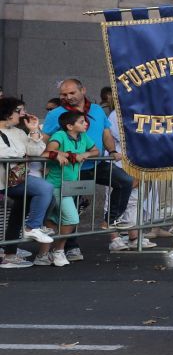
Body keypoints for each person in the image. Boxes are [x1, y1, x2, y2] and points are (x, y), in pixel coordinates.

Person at [43, 78, 130, 258]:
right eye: (64, 94)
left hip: (96, 163)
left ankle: (110, 221)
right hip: (72, 169)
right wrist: (51, 157)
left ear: (83, 90)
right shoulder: (56, 114)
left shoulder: (97, 110)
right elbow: (46, 138)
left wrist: (112, 150)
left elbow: (106, 133)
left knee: (125, 181)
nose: (68, 97)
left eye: (72, 93)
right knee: (71, 207)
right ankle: (70, 246)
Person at [0, 98, 55, 253]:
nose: (24, 114)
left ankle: (10, 253)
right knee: (45, 188)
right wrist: (21, 155)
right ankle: (33, 227)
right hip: (4, 182)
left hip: (16, 179)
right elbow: (4, 153)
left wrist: (34, 130)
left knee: (21, 212)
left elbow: (36, 151)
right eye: (20, 110)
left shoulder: (18, 131)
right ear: (9, 112)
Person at [42, 109, 96, 266]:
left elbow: (96, 150)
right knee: (72, 218)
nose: (85, 123)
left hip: (70, 186)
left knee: (53, 220)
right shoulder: (59, 136)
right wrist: (60, 154)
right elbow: (47, 152)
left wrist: (86, 154)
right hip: (56, 185)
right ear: (70, 126)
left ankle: (43, 255)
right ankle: (58, 251)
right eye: (81, 121)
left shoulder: (83, 136)